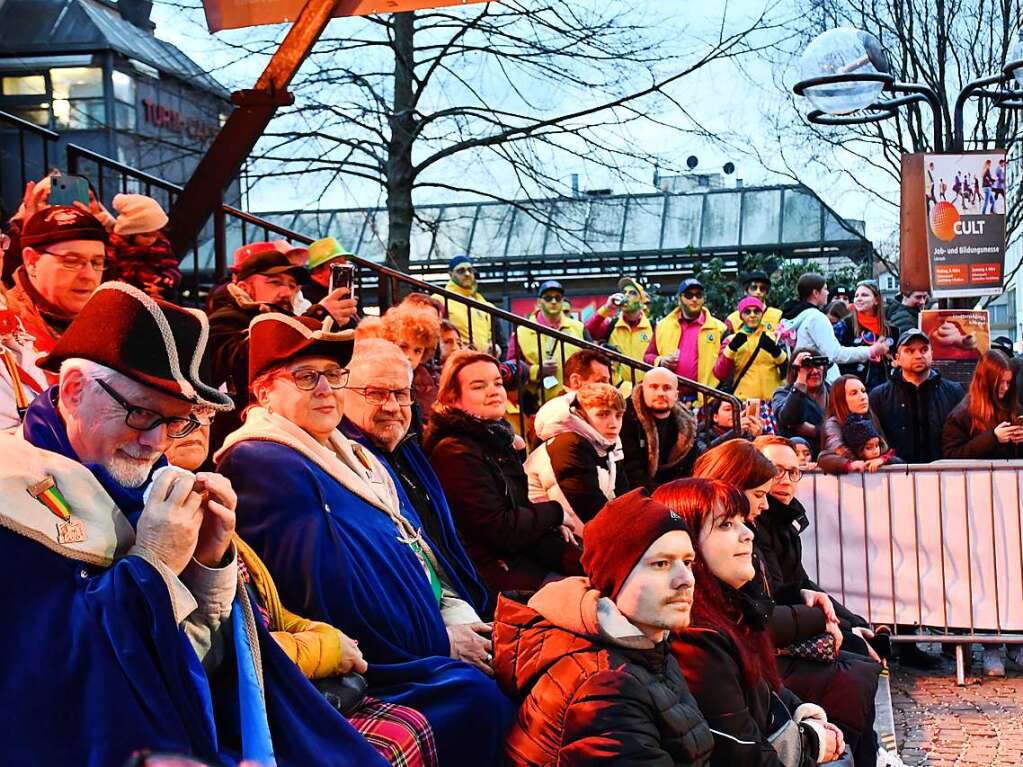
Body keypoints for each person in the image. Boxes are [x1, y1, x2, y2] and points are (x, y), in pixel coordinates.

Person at [0, 282, 392, 766]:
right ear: (76, 389)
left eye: (179, 421)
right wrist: (155, 564)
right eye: (142, 413)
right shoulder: (10, 489)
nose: (156, 443)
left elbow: (198, 662)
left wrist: (209, 566)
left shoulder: (153, 482)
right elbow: (56, 683)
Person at [216, 315, 513, 765]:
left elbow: (418, 545)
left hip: (423, 637)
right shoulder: (263, 461)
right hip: (382, 662)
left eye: (334, 376)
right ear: (264, 392)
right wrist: (439, 641)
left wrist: (453, 613)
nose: (324, 389)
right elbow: (323, 590)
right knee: (479, 698)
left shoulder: (355, 455)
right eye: (306, 377)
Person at [165, 404, 440, 767]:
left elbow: (265, 608)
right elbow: (211, 651)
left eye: (203, 413)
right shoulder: (256, 462)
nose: (195, 426)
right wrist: (326, 645)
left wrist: (320, 633)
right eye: (173, 415)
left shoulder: (206, 494)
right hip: (238, 709)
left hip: (290, 672)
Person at [493, 489, 714, 766]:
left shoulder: (645, 644)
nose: (686, 579)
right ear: (614, 579)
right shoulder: (602, 688)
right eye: (661, 564)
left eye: (688, 562)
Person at [655, 479, 848, 767]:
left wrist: (804, 715)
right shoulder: (696, 635)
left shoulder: (733, 605)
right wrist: (812, 742)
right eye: (725, 525)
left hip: (774, 732)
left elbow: (764, 684)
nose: (748, 534)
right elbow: (737, 750)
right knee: (849, 689)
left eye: (743, 521)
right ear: (687, 543)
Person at [754, 436, 897, 767]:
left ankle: (869, 752)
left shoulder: (784, 520)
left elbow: (803, 584)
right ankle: (865, 753)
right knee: (854, 665)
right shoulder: (756, 525)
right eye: (776, 471)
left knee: (861, 650)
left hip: (783, 626)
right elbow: (773, 598)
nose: (786, 481)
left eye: (793, 472)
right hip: (767, 644)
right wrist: (830, 622)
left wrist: (854, 622)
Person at [339, 337, 490, 614]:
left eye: (400, 393)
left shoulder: (406, 445)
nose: (392, 406)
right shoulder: (345, 463)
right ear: (342, 393)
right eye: (376, 393)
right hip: (425, 615)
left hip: (461, 596)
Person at [424, 349, 583, 594]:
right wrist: (555, 513)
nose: (493, 391)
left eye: (497, 383)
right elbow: (500, 529)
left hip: (521, 554)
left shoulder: (492, 437)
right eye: (478, 386)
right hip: (495, 571)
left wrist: (549, 523)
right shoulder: (455, 452)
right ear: (452, 398)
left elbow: (516, 507)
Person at [207, 246, 357, 454]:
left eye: (292, 285)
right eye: (275, 282)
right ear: (244, 286)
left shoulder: (296, 316)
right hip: (246, 443)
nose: (287, 292)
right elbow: (235, 365)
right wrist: (317, 316)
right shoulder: (226, 318)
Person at [524, 382, 628, 538]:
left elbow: (623, 498)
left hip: (568, 533)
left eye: (618, 415)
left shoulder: (606, 445)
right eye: (603, 414)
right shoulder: (567, 444)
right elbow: (577, 511)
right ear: (580, 414)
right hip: (545, 535)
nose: (614, 424)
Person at [6, 205, 108, 356]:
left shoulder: (114, 323)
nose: (89, 275)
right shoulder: (7, 329)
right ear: (32, 261)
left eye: (97, 263)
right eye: (72, 261)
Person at [869, 329, 965, 464]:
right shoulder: (879, 397)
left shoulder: (954, 392)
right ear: (897, 358)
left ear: (932, 354)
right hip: (896, 477)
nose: (918, 355)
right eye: (909, 351)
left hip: (945, 477)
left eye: (924, 350)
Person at [780, 273, 886, 383]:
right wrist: (871, 351)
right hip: (821, 381)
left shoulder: (796, 317)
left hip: (805, 378)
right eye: (825, 289)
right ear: (816, 293)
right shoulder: (816, 318)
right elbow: (836, 354)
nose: (828, 293)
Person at [618, 366, 699, 491]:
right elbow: (629, 469)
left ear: (676, 395)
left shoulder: (688, 425)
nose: (660, 393)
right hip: (636, 494)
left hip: (675, 495)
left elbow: (691, 466)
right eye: (654, 387)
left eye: (667, 388)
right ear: (643, 389)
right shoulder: (625, 416)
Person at [644, 277, 726, 399]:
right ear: (679, 299)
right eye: (689, 295)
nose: (694, 299)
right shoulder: (663, 326)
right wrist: (661, 361)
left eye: (698, 295)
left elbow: (726, 365)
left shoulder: (720, 328)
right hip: (670, 399)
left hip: (707, 400)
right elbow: (647, 356)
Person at [510, 279, 587, 403]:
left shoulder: (578, 327)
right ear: (539, 302)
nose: (553, 301)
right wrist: (537, 371)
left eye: (558, 298)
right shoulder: (522, 331)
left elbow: (591, 361)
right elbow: (511, 366)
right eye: (548, 298)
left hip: (577, 402)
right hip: (539, 404)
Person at [942, 350, 1023, 461]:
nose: (1005, 388)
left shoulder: (1014, 408)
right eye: (999, 382)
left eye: (1008, 382)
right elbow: (951, 455)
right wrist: (993, 438)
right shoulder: (962, 414)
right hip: (976, 477)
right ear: (986, 381)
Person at [105, 193, 181, 300]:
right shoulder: (116, 246)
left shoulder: (162, 246)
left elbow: (172, 267)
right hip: (124, 293)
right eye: (145, 235)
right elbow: (110, 271)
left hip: (155, 288)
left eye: (155, 234)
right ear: (130, 233)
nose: (151, 239)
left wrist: (165, 283)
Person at [714, 295, 788, 401]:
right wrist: (731, 348)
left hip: (772, 402)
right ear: (741, 316)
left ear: (762, 314)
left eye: (756, 311)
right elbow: (720, 373)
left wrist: (775, 351)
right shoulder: (730, 340)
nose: (752, 315)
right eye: (747, 312)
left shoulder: (774, 337)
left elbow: (788, 371)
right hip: (745, 401)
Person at [816, 375, 893, 475]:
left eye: (863, 391)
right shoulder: (832, 424)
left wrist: (882, 460)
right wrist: (852, 464)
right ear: (841, 400)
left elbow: (891, 455)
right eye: (854, 393)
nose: (863, 397)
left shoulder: (872, 419)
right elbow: (827, 457)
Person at [585, 277, 654, 387]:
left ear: (641, 302)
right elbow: (586, 331)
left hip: (647, 390)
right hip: (618, 390)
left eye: (632, 293)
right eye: (624, 292)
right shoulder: (611, 325)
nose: (626, 295)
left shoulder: (654, 327)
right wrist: (606, 308)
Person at [432, 254, 504, 354]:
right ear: (450, 274)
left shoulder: (484, 304)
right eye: (461, 271)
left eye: (470, 270)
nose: (467, 274)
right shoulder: (440, 299)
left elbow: (500, 340)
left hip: (485, 361)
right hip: (456, 360)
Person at [383, 301, 442, 418]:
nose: (409, 356)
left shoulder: (428, 383)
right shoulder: (376, 379)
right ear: (389, 342)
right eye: (403, 346)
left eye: (417, 351)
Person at [772, 349, 830, 453]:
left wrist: (815, 431)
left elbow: (847, 426)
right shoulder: (782, 394)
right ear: (795, 370)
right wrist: (801, 377)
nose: (814, 371)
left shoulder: (834, 391)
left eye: (817, 365)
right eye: (808, 366)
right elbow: (789, 418)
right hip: (798, 459)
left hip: (832, 458)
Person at [843, 281, 896, 391]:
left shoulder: (892, 330)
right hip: (855, 387)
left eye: (864, 295)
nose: (859, 298)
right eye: (856, 296)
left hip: (886, 388)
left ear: (876, 300)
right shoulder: (845, 325)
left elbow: (896, 358)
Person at [725, 271, 782, 336]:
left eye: (762, 289)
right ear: (746, 291)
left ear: (766, 292)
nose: (758, 292)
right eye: (754, 288)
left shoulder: (778, 315)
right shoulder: (732, 319)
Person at [304, 235, 354, 304]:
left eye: (346, 264)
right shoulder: (306, 299)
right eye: (338, 265)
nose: (345, 271)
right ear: (318, 271)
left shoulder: (340, 291)